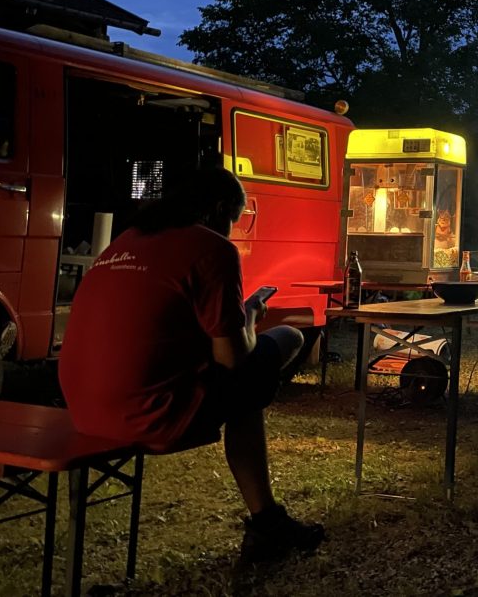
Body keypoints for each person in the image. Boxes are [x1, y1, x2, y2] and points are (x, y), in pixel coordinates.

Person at [58, 168, 324, 565]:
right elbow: (232, 356)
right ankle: (267, 522)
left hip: (83, 411)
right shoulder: (212, 248)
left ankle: (267, 521)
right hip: (149, 414)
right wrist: (249, 317)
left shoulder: (125, 242)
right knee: (284, 342)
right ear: (219, 210)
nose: (232, 231)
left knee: (245, 382)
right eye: (234, 220)